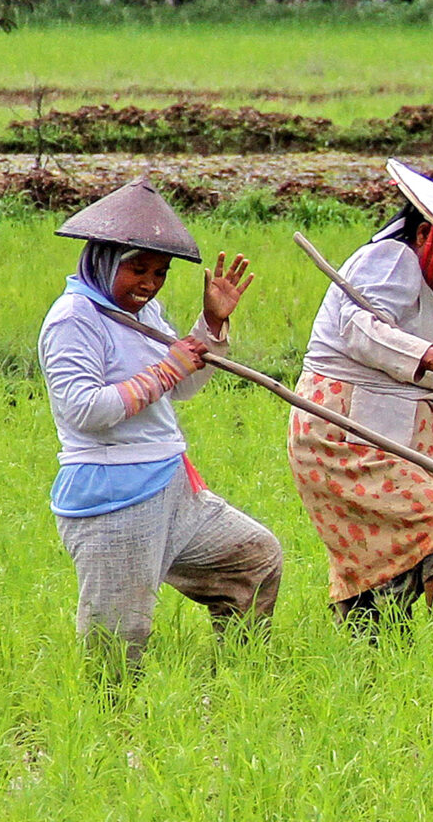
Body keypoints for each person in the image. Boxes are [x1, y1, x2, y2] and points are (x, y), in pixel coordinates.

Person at [38, 177, 281, 674]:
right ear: (104, 261)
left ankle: (238, 688)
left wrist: (210, 328)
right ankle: (108, 732)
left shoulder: (142, 312)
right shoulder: (74, 319)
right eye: (138, 270)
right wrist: (169, 367)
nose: (149, 283)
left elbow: (183, 385)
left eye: (160, 272)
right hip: (116, 492)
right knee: (120, 636)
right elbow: (83, 409)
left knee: (252, 561)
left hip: (172, 487)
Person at [287, 160, 433, 626]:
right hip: (346, 435)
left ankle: (378, 654)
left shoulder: (416, 281)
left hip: (378, 433)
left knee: (394, 559)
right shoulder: (390, 258)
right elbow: (359, 328)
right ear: (425, 236)